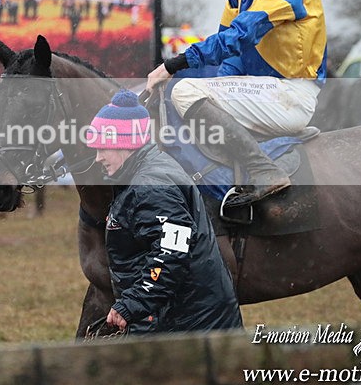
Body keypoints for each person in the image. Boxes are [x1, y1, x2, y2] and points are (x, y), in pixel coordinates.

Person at [146, 0, 327, 208]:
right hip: (261, 92)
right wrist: (215, 85)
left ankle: (264, 172)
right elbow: (229, 55)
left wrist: (173, 64)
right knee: (190, 91)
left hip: (290, 96)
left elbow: (240, 37)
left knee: (185, 90)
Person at [86, 89, 243, 334]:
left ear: (124, 144)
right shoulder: (140, 173)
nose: (97, 158)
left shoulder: (151, 186)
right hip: (178, 317)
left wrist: (134, 303)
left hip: (190, 325)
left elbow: (172, 254)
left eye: (102, 148)